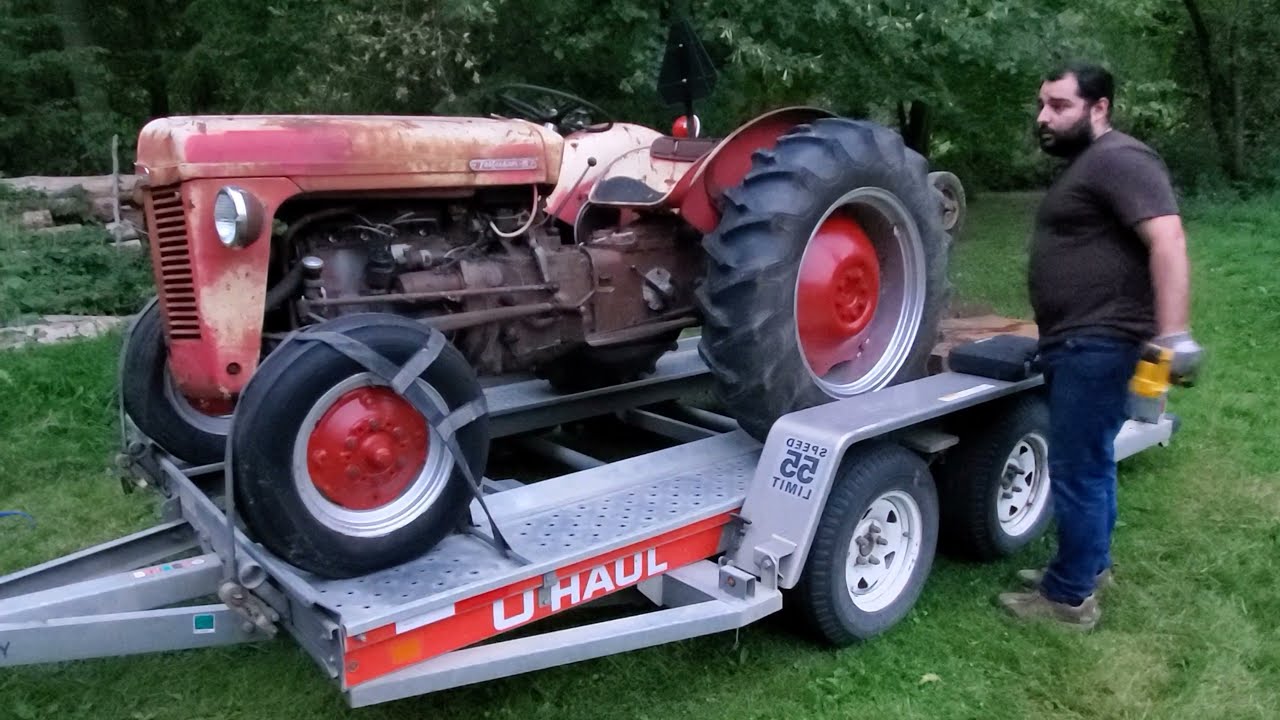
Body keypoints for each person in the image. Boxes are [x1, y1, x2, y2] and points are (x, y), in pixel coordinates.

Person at [997, 61, 1203, 630]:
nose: (1044, 117)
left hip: (1099, 342)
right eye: (1041, 104)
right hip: (1082, 341)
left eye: (1059, 105)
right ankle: (1089, 567)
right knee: (1091, 461)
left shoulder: (1121, 158)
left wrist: (1175, 334)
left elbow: (1168, 238)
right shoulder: (1091, 163)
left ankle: (1068, 599)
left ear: (1100, 107)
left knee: (1077, 468)